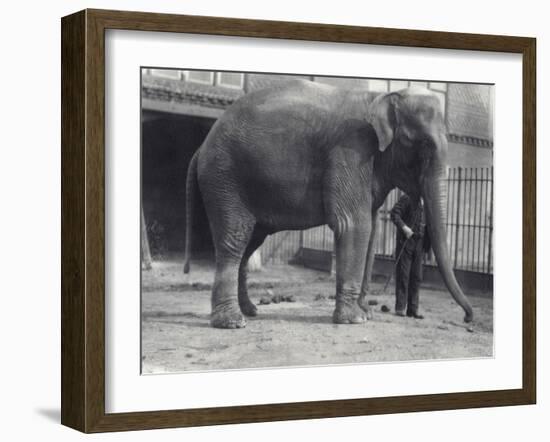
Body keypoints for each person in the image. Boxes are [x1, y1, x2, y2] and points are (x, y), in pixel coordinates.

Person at [390, 194, 431, 319]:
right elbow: (394, 214)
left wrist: (427, 246)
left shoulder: (429, 202)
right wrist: (404, 228)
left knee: (417, 276)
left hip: (420, 243)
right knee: (404, 274)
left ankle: (413, 309)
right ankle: (400, 308)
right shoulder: (408, 197)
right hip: (406, 241)